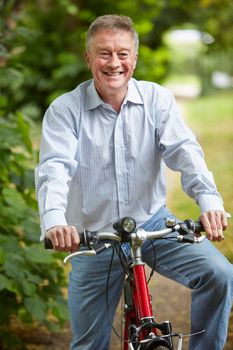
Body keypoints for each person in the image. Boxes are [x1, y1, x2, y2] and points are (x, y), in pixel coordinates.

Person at [35, 14, 233, 350]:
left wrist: (209, 202)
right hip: (94, 235)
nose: (114, 63)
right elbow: (55, 168)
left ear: (135, 58)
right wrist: (55, 221)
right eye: (104, 53)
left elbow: (186, 153)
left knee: (221, 275)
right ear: (88, 58)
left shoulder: (157, 100)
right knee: (88, 344)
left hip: (151, 223)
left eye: (123, 53)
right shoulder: (65, 110)